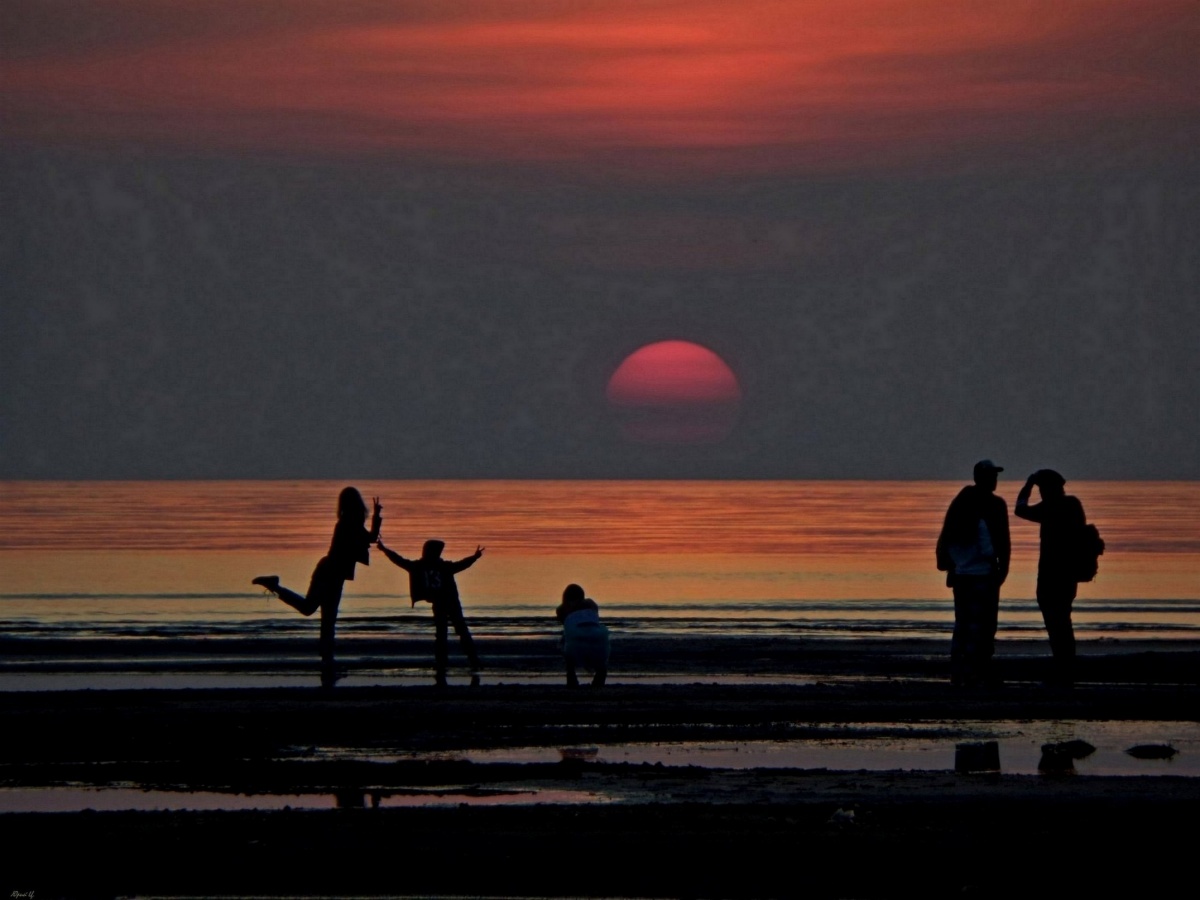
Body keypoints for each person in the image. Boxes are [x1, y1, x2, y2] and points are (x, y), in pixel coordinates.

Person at [252, 487, 382, 688]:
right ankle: (274, 585)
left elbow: (370, 538)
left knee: (324, 618)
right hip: (330, 572)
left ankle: (327, 662)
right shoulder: (348, 523)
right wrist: (375, 517)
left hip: (332, 573)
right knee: (315, 613)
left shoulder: (349, 522)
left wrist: (376, 516)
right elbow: (369, 539)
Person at [936, 460, 1011, 688]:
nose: (995, 480)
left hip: (963, 575)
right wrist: (1002, 569)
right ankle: (976, 670)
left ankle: (962, 671)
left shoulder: (961, 503)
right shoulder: (993, 505)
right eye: (992, 476)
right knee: (984, 625)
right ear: (983, 478)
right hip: (982, 576)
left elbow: (945, 538)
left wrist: (947, 564)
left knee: (965, 624)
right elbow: (1000, 542)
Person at [377, 538, 483, 687]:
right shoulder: (444, 566)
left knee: (443, 633)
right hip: (451, 601)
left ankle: (444, 663)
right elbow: (461, 565)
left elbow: (399, 560)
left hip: (440, 602)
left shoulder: (419, 566)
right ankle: (472, 661)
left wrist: (384, 549)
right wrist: (475, 557)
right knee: (460, 631)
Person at [1015, 469, 1088, 688]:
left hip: (1050, 575)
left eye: (1040, 489)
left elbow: (1019, 509)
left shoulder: (1050, 507)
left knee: (1055, 624)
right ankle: (1066, 668)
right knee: (1064, 622)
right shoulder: (1073, 505)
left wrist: (1027, 485)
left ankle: (1063, 670)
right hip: (1069, 576)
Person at [556, 583, 610, 688]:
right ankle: (599, 680)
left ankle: (571, 677)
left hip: (576, 645)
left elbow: (568, 628)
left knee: (565, 643)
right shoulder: (592, 605)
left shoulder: (562, 610)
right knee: (601, 659)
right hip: (599, 644)